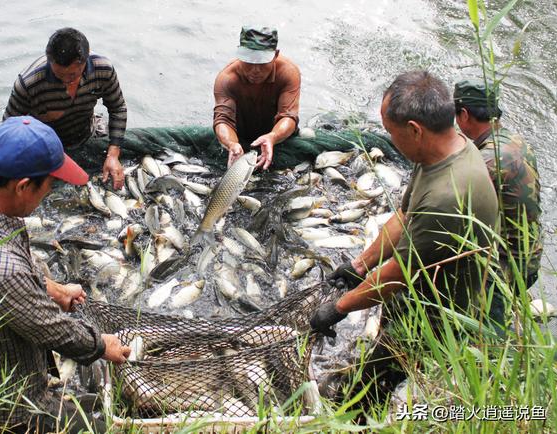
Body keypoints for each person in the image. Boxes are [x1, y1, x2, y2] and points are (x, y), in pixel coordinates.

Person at [310, 71, 498, 404]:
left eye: (391, 133)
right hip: (416, 287)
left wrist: (338, 308)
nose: (390, 139)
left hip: (436, 312)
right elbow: (405, 214)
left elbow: (400, 274)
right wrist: (360, 264)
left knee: (369, 388)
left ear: (414, 129)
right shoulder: (441, 150)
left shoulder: (447, 197)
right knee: (376, 361)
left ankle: (358, 420)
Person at [0, 116, 131, 432]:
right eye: (49, 186)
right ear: (24, 186)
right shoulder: (0, 269)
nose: (48, 195)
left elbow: (13, 274)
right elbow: (55, 332)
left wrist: (52, 288)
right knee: (96, 426)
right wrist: (101, 345)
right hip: (3, 401)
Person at [3, 27, 128, 190]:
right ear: (50, 60)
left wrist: (113, 155)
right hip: (46, 146)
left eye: (73, 75)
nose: (67, 82)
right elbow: (9, 128)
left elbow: (117, 108)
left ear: (86, 58)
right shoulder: (29, 83)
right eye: (59, 76)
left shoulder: (103, 69)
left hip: (87, 131)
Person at [454, 79, 542, 297]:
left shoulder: (487, 162)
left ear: (464, 114)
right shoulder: (518, 141)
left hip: (510, 268)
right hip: (532, 256)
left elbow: (452, 216)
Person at [213, 26, 301, 170]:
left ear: (275, 55)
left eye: (261, 62)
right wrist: (231, 144)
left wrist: (272, 136)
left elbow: (289, 116)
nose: (255, 70)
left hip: (275, 134)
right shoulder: (227, 79)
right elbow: (223, 120)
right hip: (240, 135)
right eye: (249, 61)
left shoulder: (288, 72)